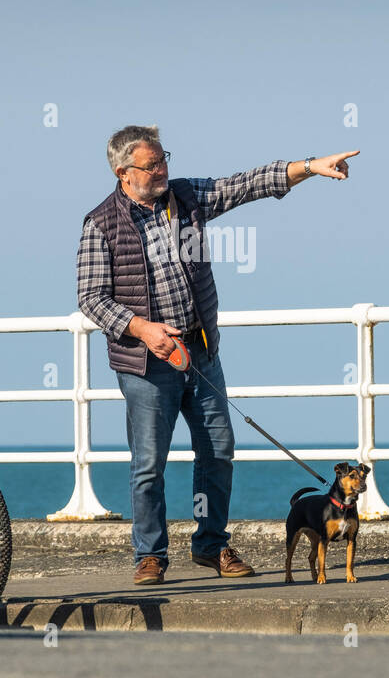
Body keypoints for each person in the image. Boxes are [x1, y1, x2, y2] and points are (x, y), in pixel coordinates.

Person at [77, 125, 359, 585]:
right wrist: (143, 330)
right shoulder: (101, 223)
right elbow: (91, 298)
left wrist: (309, 167)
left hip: (200, 352)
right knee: (149, 463)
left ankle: (211, 545)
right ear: (123, 172)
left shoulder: (185, 198)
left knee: (218, 450)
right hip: (147, 364)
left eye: (164, 158)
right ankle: (150, 554)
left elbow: (245, 184)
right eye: (152, 164)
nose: (163, 169)